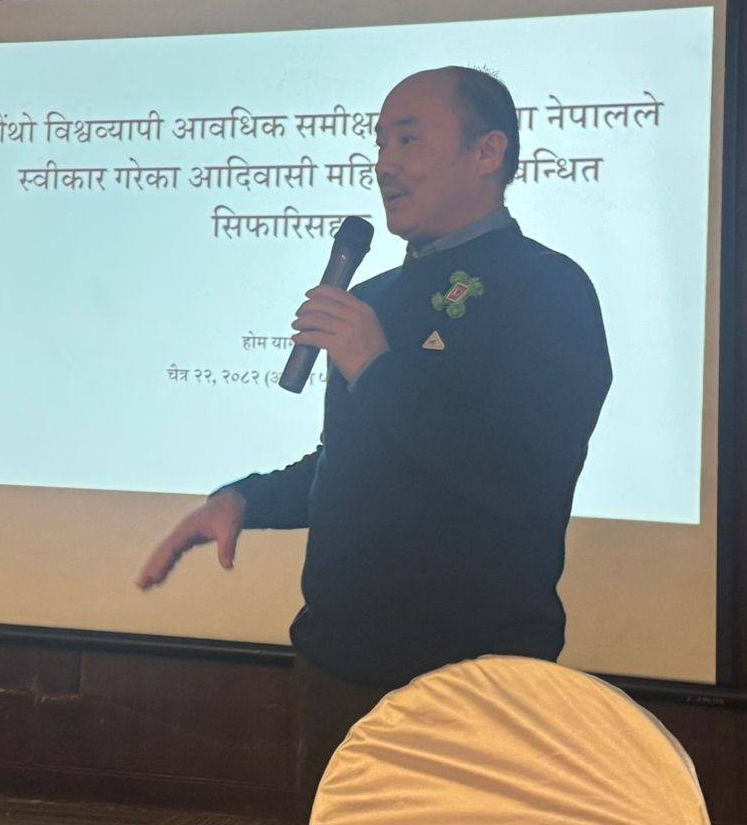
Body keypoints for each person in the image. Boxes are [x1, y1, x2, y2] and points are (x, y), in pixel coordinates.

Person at [135, 66, 612, 823]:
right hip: (338, 665)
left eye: (408, 140)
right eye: (380, 142)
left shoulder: (547, 288)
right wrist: (246, 499)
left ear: (488, 151)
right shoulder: (374, 297)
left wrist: (378, 366)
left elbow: (521, 475)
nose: (384, 163)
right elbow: (358, 462)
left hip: (473, 679)